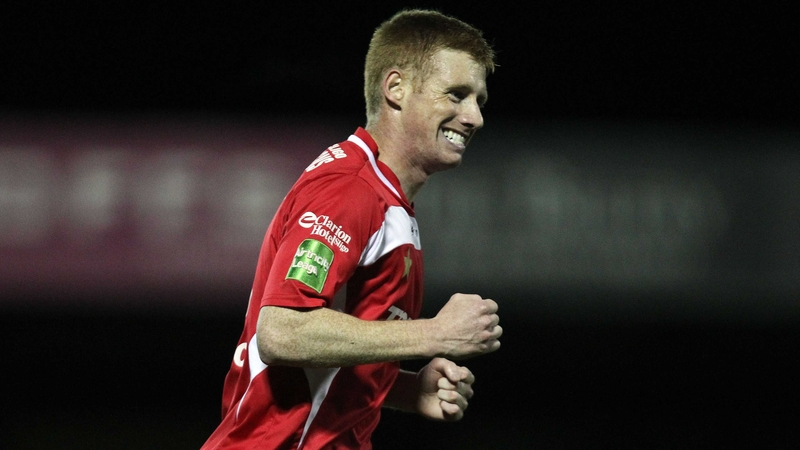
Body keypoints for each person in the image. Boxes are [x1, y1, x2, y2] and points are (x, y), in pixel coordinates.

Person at [202, 8, 502, 449]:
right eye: (456, 95)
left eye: (479, 100)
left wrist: (404, 389)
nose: (474, 117)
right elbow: (283, 331)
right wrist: (434, 333)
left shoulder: (387, 199)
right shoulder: (352, 189)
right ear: (396, 89)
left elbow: (324, 360)